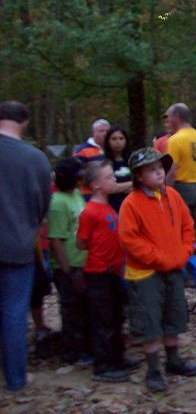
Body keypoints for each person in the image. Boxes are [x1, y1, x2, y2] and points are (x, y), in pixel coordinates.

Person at [119, 148, 196, 393]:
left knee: (174, 316)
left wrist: (184, 252)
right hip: (145, 273)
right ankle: (153, 370)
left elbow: (188, 226)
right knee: (150, 322)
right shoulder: (131, 203)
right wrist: (159, 258)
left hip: (173, 268)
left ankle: (173, 361)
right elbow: (130, 240)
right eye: (151, 170)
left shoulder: (173, 196)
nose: (158, 173)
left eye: (160, 168)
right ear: (139, 175)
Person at [0, 100, 51, 391]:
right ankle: (15, 378)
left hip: (16, 241)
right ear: (25, 122)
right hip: (17, 244)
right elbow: (43, 203)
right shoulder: (35, 159)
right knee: (14, 312)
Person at [76, 161, 133, 383]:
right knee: (103, 320)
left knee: (117, 316)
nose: (114, 180)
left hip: (115, 271)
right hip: (99, 272)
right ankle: (103, 366)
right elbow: (81, 242)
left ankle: (117, 358)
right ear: (96, 185)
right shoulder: (90, 211)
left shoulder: (108, 208)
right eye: (109, 177)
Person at [48, 157, 91, 365]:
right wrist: (66, 269)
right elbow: (55, 239)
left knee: (84, 307)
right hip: (68, 266)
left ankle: (85, 347)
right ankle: (72, 351)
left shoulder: (77, 194)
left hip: (83, 262)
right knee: (71, 309)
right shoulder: (57, 203)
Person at [164, 103, 196, 240]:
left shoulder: (175, 140)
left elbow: (171, 170)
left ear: (176, 116)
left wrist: (166, 191)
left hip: (181, 187)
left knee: (178, 223)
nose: (167, 120)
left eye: (168, 117)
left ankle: (180, 250)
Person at [103, 125, 132, 212]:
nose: (118, 142)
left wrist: (119, 187)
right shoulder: (103, 163)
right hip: (112, 207)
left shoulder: (132, 160)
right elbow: (108, 188)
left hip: (131, 205)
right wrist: (131, 184)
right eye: (114, 139)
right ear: (108, 141)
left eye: (121, 138)